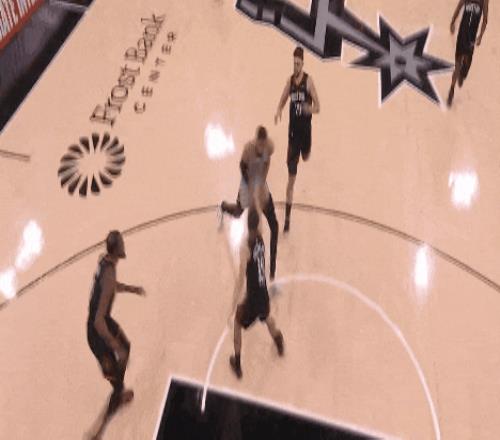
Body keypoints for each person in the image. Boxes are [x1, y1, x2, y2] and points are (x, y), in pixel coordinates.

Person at [86, 230, 145, 439]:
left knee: (126, 348)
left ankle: (118, 388)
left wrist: (132, 289)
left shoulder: (105, 263)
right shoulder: (109, 272)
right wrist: (113, 344)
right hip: (97, 333)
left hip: (102, 323)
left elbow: (109, 287)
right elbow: (98, 321)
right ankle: (98, 430)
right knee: (119, 364)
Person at [229, 204, 284, 379]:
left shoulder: (245, 246)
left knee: (237, 323)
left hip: (252, 297)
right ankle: (278, 340)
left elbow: (240, 278)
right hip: (263, 292)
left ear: (247, 225)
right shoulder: (261, 239)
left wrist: (233, 305)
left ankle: (237, 364)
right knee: (267, 317)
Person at [220, 125, 279, 280]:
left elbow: (267, 164)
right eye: (260, 144)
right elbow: (242, 166)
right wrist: (250, 186)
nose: (262, 147)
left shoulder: (270, 147)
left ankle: (272, 268)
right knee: (238, 213)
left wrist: (261, 182)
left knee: (274, 226)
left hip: (261, 185)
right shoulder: (248, 149)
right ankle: (224, 207)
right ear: (256, 141)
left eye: (263, 144)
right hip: (248, 185)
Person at [274, 46, 320, 232]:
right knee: (291, 179)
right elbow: (283, 99)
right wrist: (278, 109)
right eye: (293, 63)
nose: (295, 67)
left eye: (298, 64)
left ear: (303, 64)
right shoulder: (290, 82)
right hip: (293, 136)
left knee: (306, 157)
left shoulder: (308, 82)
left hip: (306, 133)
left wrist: (309, 109)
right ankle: (287, 218)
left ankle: (306, 153)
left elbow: (318, 107)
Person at [447, 0, 488, 107]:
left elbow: (485, 19)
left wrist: (480, 36)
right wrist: (452, 22)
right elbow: (459, 7)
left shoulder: (484, 1)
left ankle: (463, 73)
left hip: (471, 38)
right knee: (457, 64)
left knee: (467, 61)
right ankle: (451, 90)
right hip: (462, 35)